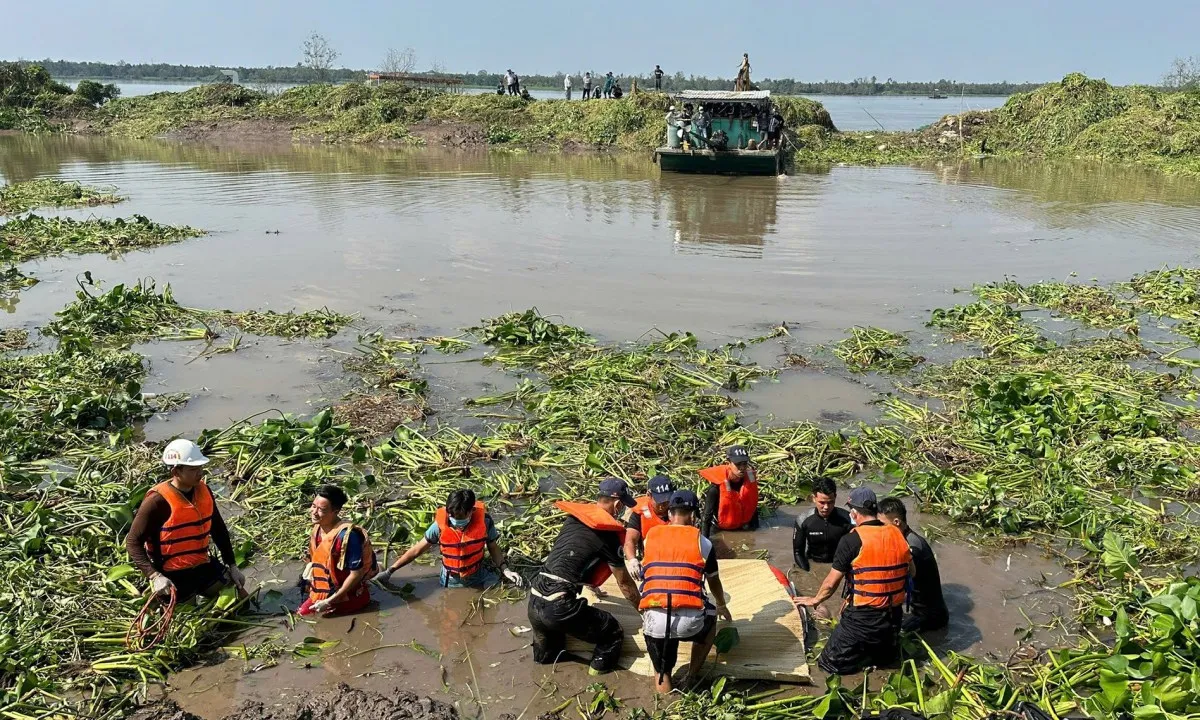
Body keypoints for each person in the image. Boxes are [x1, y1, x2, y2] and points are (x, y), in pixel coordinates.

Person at [793, 488, 914, 675]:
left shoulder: (851, 540)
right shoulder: (897, 534)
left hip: (864, 618)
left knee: (828, 664)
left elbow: (830, 584)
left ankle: (861, 669)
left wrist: (814, 600)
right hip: (893, 618)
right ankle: (876, 659)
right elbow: (912, 572)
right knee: (884, 659)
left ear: (854, 513)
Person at [528, 478, 642, 675]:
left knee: (548, 660)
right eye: (623, 506)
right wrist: (643, 610)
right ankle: (598, 677)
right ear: (617, 504)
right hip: (559, 607)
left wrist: (591, 585)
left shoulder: (573, 519)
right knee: (612, 632)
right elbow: (624, 583)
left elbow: (572, 558)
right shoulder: (608, 535)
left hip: (535, 600)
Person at [126, 438, 246, 602]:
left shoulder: (204, 491)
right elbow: (133, 541)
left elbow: (218, 530)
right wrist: (154, 576)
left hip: (202, 565)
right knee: (187, 616)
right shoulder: (156, 501)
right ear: (175, 472)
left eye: (200, 467)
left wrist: (232, 565)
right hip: (172, 573)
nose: (200, 472)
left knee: (237, 596)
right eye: (193, 469)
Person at [639, 490, 731, 694]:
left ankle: (664, 694)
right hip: (690, 624)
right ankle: (691, 676)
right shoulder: (703, 542)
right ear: (693, 516)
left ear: (670, 515)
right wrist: (721, 604)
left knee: (662, 673)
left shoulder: (649, 538)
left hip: (655, 621)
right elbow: (713, 580)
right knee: (711, 617)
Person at [375, 489, 524, 590]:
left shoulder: (485, 522)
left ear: (472, 511)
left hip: (477, 577)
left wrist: (506, 570)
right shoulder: (439, 526)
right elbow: (416, 550)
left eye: (460, 517)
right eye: (452, 516)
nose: (455, 520)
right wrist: (390, 571)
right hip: (449, 581)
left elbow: (493, 547)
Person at [300, 485, 378, 616]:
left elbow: (356, 574)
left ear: (335, 511)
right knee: (302, 613)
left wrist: (330, 601)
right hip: (322, 591)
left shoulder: (348, 536)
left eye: (321, 510)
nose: (314, 512)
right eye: (313, 506)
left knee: (325, 621)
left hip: (346, 595)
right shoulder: (317, 529)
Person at [879, 497, 949, 633]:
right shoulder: (906, 539)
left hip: (928, 617)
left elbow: (894, 588)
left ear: (897, 522)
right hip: (920, 609)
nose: (880, 530)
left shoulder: (912, 548)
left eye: (882, 525)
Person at [793, 478, 853, 572]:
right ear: (814, 498)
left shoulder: (847, 519)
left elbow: (855, 550)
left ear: (835, 497)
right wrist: (807, 573)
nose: (826, 507)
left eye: (830, 502)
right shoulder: (803, 520)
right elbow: (798, 553)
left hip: (839, 567)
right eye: (822, 502)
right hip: (814, 563)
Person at [623, 475, 676, 580]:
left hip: (676, 561)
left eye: (667, 500)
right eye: (659, 501)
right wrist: (632, 560)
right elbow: (630, 540)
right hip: (651, 562)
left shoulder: (679, 510)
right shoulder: (640, 514)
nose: (663, 505)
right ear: (649, 495)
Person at [699, 445, 759, 538]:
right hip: (722, 528)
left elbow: (753, 506)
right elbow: (706, 517)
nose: (742, 468)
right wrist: (704, 543)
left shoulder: (750, 481)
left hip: (743, 527)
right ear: (728, 463)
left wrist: (756, 531)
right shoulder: (715, 488)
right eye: (738, 464)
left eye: (744, 463)